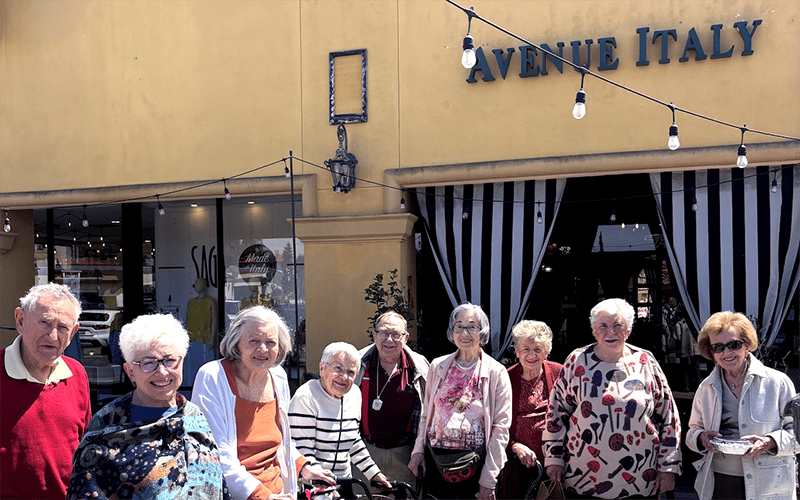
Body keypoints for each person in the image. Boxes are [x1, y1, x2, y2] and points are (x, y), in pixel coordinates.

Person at [66, 313, 229, 499]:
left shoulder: (194, 415)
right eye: (148, 363)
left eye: (170, 360)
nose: (162, 372)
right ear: (130, 372)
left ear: (182, 362)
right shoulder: (106, 428)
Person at [542, 298, 682, 499]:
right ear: (593, 331)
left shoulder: (646, 361)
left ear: (628, 329)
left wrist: (668, 466)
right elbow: (556, 412)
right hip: (583, 479)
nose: (610, 332)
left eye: (617, 325)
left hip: (641, 479)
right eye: (603, 326)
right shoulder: (577, 361)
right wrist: (554, 458)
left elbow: (669, 416)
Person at [193, 306, 334, 500]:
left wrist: (303, 467)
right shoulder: (212, 376)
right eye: (254, 341)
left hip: (279, 493)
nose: (263, 349)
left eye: (270, 342)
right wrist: (263, 496)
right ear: (236, 343)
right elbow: (215, 454)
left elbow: (281, 444)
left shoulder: (278, 377)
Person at [686, 311, 798, 500]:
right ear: (711, 353)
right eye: (718, 347)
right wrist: (701, 437)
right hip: (720, 482)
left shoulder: (777, 382)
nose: (727, 353)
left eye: (734, 345)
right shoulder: (705, 388)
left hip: (769, 483)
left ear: (747, 345)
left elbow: (797, 434)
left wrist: (769, 442)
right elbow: (692, 431)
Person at [408, 303, 512, 500]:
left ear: (482, 332)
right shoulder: (438, 366)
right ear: (452, 331)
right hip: (436, 461)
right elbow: (426, 415)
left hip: (475, 464)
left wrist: (488, 479)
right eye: (459, 326)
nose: (465, 332)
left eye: (472, 326)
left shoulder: (496, 372)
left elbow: (500, 429)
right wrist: (418, 451)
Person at [0, 283, 91, 499]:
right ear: (20, 320)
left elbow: (84, 446)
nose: (52, 336)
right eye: (44, 323)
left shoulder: (76, 374)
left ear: (73, 332)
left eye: (62, 327)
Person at [289, 342, 392, 489]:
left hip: (343, 482)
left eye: (351, 372)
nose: (344, 377)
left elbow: (353, 440)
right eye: (338, 369)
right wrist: (326, 488)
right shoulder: (306, 396)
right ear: (322, 368)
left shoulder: (355, 394)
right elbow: (303, 448)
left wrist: (374, 474)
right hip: (312, 486)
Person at [354, 311, 430, 486]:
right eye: (383, 332)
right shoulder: (358, 364)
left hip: (405, 455)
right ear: (374, 335)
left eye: (396, 334)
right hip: (365, 452)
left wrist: (420, 452)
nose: (389, 340)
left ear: (405, 337)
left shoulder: (419, 367)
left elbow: (429, 415)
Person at [498, 320, 563, 499]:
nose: (532, 355)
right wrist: (514, 446)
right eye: (526, 349)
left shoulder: (559, 373)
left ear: (546, 351)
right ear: (517, 351)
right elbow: (496, 422)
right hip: (516, 461)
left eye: (538, 349)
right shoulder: (506, 377)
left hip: (554, 460)